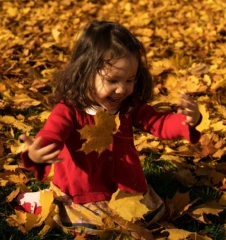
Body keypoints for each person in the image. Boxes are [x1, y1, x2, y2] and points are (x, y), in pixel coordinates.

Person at [18, 21, 202, 238]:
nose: (122, 89)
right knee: (93, 228)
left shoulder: (128, 106)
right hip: (83, 192)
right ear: (85, 73)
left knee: (151, 215)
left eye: (130, 80)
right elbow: (52, 134)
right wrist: (38, 152)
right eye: (113, 80)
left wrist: (187, 121)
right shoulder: (70, 110)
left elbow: (158, 123)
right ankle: (40, 201)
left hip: (125, 190)